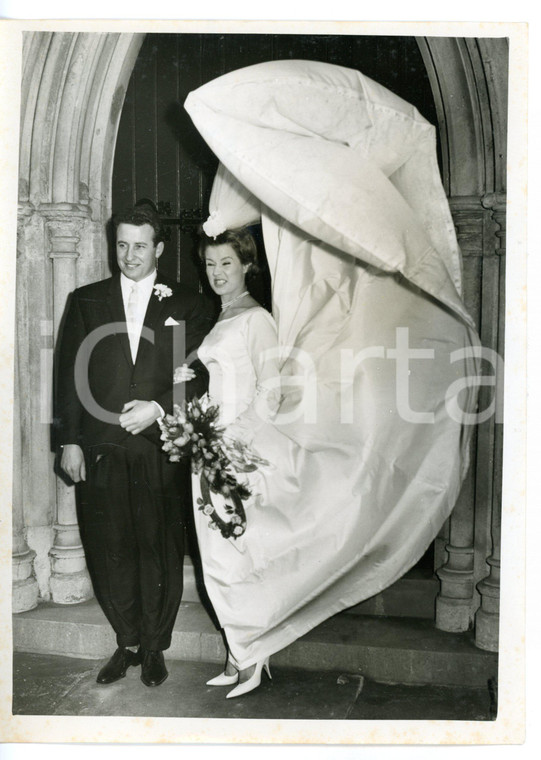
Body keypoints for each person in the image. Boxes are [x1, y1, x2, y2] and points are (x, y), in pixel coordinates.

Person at [55, 202, 212, 688]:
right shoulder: (86, 300)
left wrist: (160, 407)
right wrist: (69, 442)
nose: (129, 255)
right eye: (121, 245)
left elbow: (203, 372)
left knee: (158, 545)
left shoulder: (188, 303)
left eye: (140, 245)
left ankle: (155, 645)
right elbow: (69, 375)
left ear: (159, 248)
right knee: (109, 546)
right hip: (99, 446)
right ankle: (125, 641)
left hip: (158, 446)